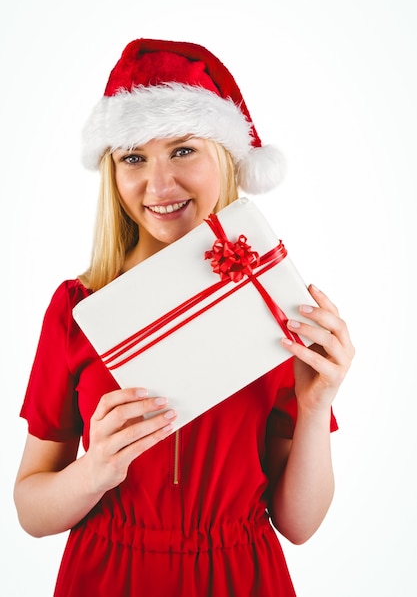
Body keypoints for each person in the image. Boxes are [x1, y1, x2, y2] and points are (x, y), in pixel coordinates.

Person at [14, 38, 355, 596]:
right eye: (133, 158)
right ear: (113, 174)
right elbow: (31, 509)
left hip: (239, 575)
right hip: (106, 575)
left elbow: (299, 525)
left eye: (183, 150)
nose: (159, 184)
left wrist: (317, 409)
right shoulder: (77, 310)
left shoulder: (276, 306)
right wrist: (92, 471)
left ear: (225, 156)